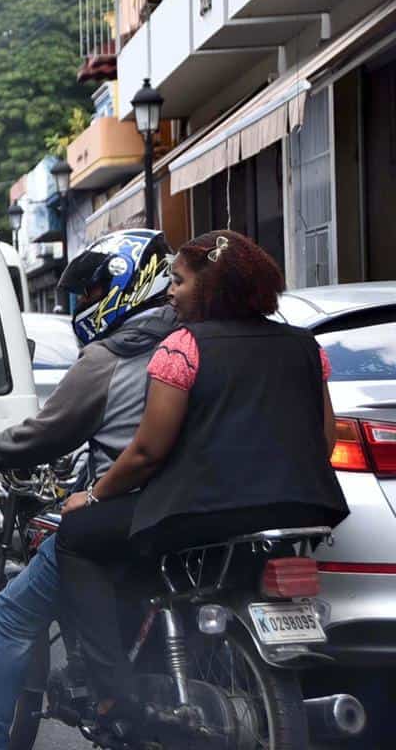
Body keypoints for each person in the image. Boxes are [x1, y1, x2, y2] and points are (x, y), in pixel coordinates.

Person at [56, 230, 349, 727]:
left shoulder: (183, 348)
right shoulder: (305, 347)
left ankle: (110, 694)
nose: (170, 292)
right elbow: (323, 440)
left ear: (211, 288)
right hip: (297, 510)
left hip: (202, 512)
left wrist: (93, 494)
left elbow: (147, 452)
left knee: (77, 539)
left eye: (179, 281)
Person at [0, 229, 177, 750]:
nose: (85, 302)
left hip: (124, 510)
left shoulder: (111, 356)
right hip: (193, 509)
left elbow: (42, 435)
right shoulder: (195, 339)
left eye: (92, 290)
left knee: (7, 617)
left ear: (125, 283)